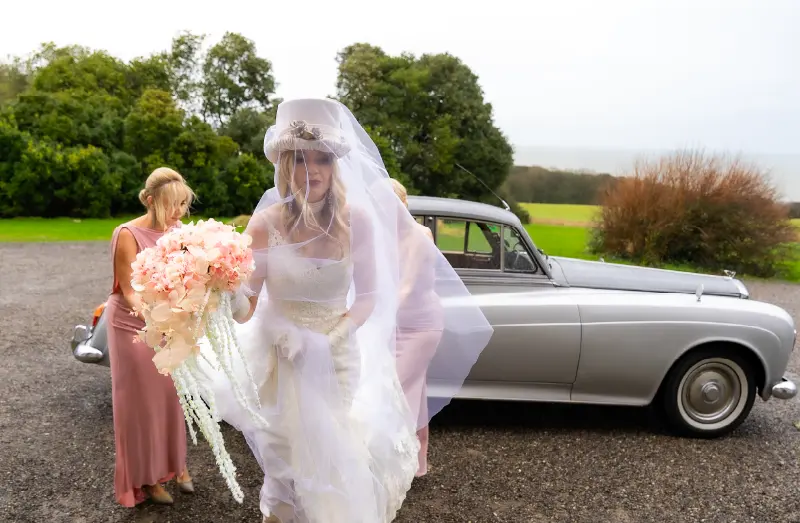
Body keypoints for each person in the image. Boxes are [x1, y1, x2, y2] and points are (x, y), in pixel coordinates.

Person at [213, 98, 493, 523]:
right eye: (300, 160)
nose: (313, 172)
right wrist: (218, 291)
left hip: (336, 357)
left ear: (335, 162)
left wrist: (330, 340)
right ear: (285, 166)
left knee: (330, 457)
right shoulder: (263, 225)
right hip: (276, 362)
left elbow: (367, 299)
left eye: (322, 159)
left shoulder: (355, 220)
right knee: (282, 462)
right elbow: (246, 308)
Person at [106, 167, 196, 507]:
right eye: (171, 204)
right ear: (150, 200)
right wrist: (157, 319)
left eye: (183, 204)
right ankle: (148, 479)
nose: (178, 213)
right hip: (133, 324)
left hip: (170, 323)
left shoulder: (181, 233)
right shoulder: (127, 233)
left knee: (172, 397)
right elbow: (129, 291)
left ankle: (176, 465)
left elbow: (191, 279)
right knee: (140, 404)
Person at [389, 178, 443, 477]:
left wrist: (376, 317)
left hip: (421, 325)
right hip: (397, 324)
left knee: (394, 388)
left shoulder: (420, 235)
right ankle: (418, 463)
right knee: (415, 391)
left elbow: (407, 287)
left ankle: (396, 462)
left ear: (402, 204)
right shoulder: (381, 236)